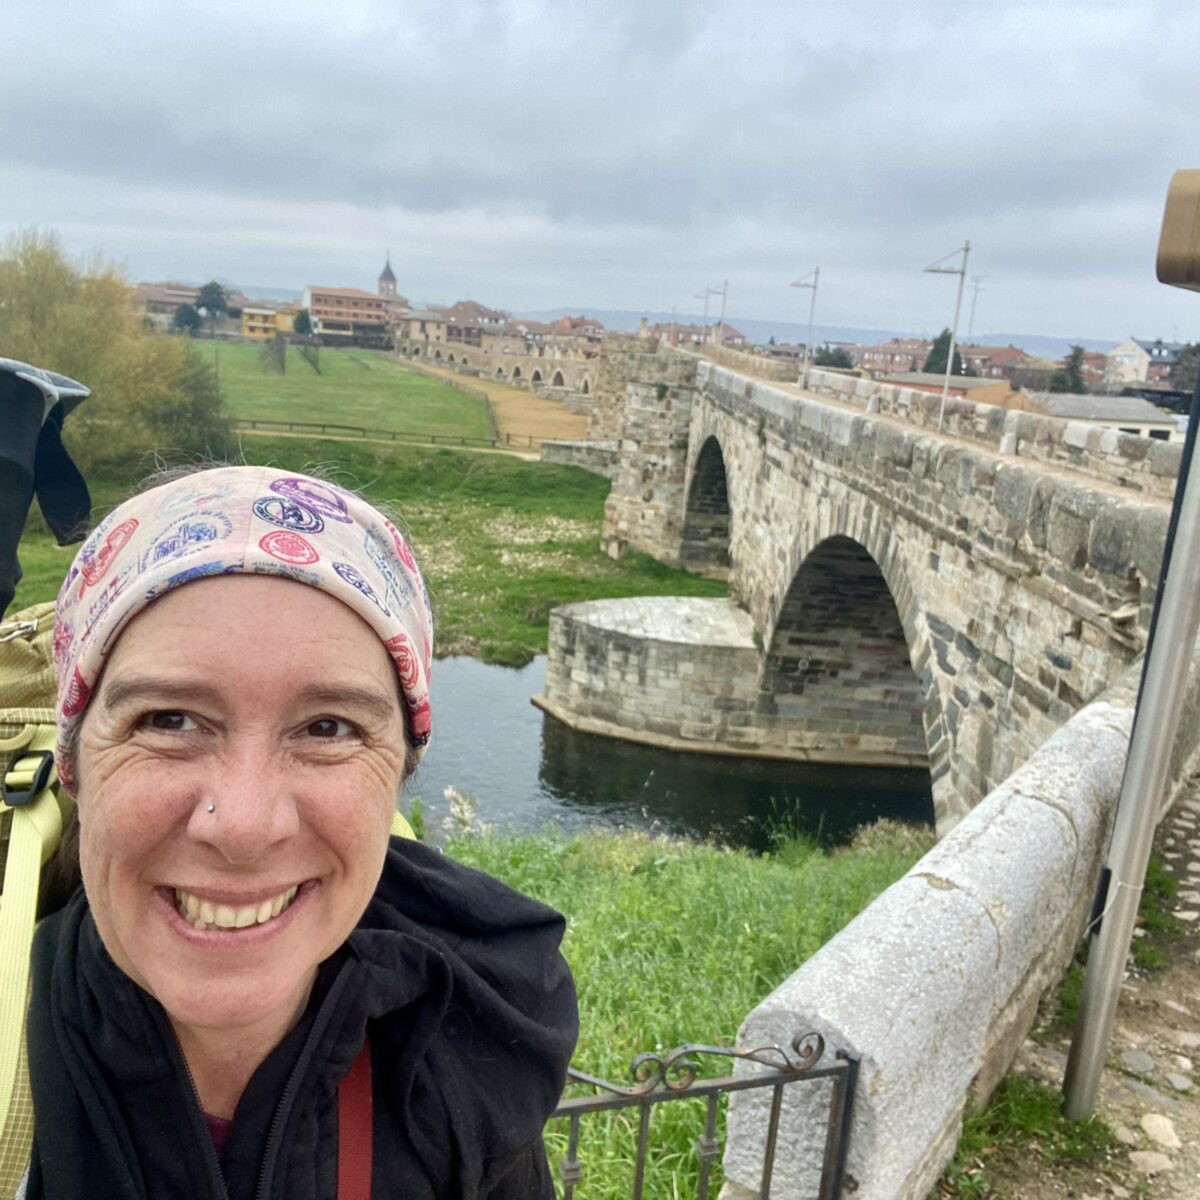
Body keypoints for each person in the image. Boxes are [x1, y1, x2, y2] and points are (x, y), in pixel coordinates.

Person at [23, 465, 578, 1200]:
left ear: (399, 769)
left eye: (328, 728)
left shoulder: (472, 1047)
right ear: (74, 765)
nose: (245, 827)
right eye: (169, 720)